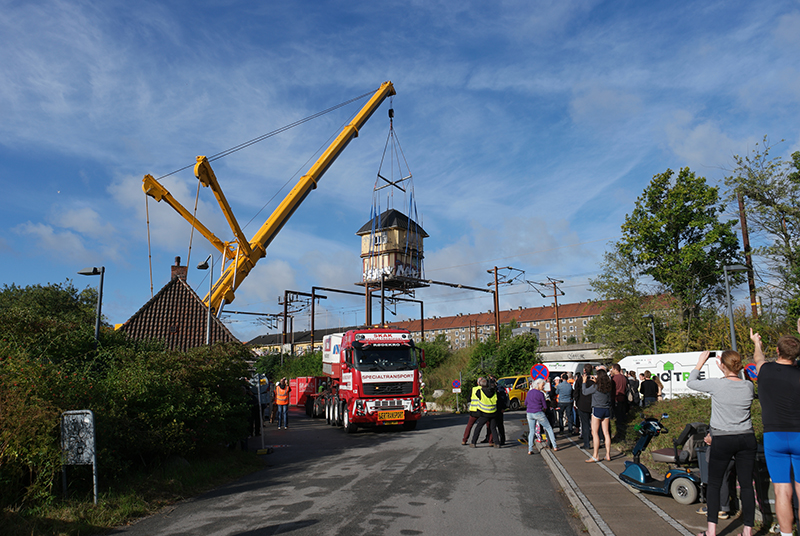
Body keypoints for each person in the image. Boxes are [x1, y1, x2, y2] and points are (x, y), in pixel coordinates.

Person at [687, 350, 756, 536]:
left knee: (715, 483)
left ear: (722, 366)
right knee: (747, 485)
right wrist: (729, 369)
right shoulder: (748, 386)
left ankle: (711, 531)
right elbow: (740, 379)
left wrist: (700, 363)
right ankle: (748, 531)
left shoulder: (717, 385)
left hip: (723, 438)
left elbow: (691, 382)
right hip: (747, 438)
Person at [751, 325, 800, 536]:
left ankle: (787, 534)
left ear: (777, 352)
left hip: (774, 437)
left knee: (781, 489)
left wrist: (756, 343)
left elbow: (758, 358)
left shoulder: (766, 371)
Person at [582, 367, 613, 463]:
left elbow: (585, 392)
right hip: (606, 409)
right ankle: (608, 454)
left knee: (595, 433)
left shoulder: (595, 387)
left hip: (597, 409)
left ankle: (595, 455)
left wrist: (584, 382)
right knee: (606, 433)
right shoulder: (608, 386)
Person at [526, 378, 558, 453]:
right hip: (538, 412)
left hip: (529, 413)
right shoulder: (540, 394)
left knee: (531, 431)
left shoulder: (529, 393)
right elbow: (545, 406)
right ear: (538, 384)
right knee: (549, 428)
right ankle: (555, 446)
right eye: (542, 385)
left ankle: (530, 449)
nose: (543, 387)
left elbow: (525, 403)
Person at [470, 377, 499, 448]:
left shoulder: (480, 391)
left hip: (484, 413)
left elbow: (477, 395)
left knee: (478, 427)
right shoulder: (494, 391)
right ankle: (497, 443)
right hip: (493, 412)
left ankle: (473, 442)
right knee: (493, 428)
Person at [462, 378, 490, 445]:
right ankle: (490, 440)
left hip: (474, 410)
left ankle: (464, 440)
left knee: (469, 425)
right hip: (483, 410)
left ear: (478, 383)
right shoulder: (486, 390)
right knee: (489, 425)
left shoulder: (473, 389)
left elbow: (468, 399)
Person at [574, 363, 594, 450]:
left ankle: (587, 443)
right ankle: (597, 442)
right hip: (593, 404)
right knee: (595, 425)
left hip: (583, 404)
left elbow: (576, 391)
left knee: (585, 424)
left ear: (584, 370)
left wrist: (577, 402)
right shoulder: (594, 379)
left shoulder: (580, 379)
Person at [610, 363, 628, 440]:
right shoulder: (624, 377)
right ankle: (623, 433)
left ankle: (619, 434)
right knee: (622, 416)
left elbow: (612, 388)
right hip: (623, 397)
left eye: (612, 369)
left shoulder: (614, 378)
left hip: (616, 398)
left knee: (617, 417)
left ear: (615, 369)